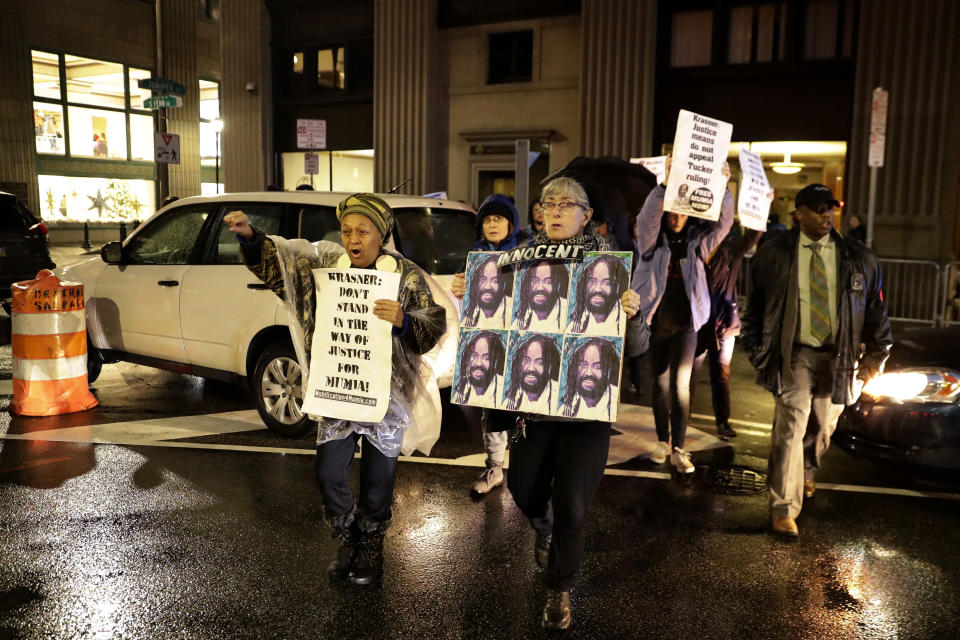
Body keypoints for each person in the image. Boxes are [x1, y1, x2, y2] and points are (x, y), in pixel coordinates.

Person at [225, 193, 446, 584]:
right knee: (329, 474)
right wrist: (249, 238)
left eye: (363, 231)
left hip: (386, 397)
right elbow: (282, 268)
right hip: (338, 388)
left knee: (379, 481)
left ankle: (371, 545)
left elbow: (432, 324)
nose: (353, 238)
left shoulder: (405, 275)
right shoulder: (328, 266)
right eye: (346, 230)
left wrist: (404, 320)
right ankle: (347, 535)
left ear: (382, 234)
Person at [498, 175, 641, 630]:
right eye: (549, 204)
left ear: (587, 216)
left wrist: (633, 316)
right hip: (533, 408)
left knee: (575, 506)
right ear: (539, 212)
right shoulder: (515, 262)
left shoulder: (610, 267)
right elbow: (490, 327)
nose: (557, 211)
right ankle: (543, 526)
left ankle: (559, 589)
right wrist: (472, 294)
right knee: (523, 491)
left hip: (586, 414)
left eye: (568, 204)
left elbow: (634, 348)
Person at [740, 183, 892, 538]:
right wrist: (758, 351)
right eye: (819, 209)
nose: (827, 215)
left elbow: (876, 312)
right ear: (799, 215)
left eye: (830, 208)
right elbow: (756, 307)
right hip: (795, 355)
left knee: (823, 427)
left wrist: (874, 358)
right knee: (789, 428)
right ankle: (783, 507)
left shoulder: (858, 257)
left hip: (839, 357)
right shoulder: (774, 254)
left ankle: (808, 468)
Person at [628, 156, 733, 474]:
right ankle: (662, 442)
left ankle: (678, 449)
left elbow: (724, 222)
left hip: (688, 324)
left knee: (681, 387)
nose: (677, 216)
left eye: (683, 210)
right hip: (657, 323)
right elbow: (647, 217)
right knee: (658, 384)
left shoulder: (699, 243)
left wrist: (723, 186)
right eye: (672, 209)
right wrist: (664, 185)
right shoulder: (650, 243)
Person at [450, 193, 522, 495]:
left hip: (520, 340)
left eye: (498, 218)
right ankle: (494, 468)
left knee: (522, 404)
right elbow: (467, 302)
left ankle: (524, 469)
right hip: (486, 339)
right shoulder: (474, 255)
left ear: (511, 223)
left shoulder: (526, 251)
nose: (492, 224)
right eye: (487, 220)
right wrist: (460, 289)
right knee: (489, 404)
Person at [694, 227, 763, 439]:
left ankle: (723, 422)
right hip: (698, 323)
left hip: (724, 324)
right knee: (689, 375)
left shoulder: (730, 250)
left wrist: (758, 208)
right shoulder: (695, 250)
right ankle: (680, 421)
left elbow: (751, 238)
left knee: (721, 375)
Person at [559, 337, 620, 421]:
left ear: (607, 370)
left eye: (597, 367)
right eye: (583, 364)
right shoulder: (567, 405)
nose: (588, 373)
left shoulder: (616, 399)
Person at [568, 254, 630, 335]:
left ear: (617, 286)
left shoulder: (626, 313)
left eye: (606, 283)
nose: (598, 289)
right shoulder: (576, 321)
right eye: (592, 281)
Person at [504, 333, 561, 413]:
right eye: (526, 360)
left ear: (548, 365)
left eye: (539, 362)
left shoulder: (559, 396)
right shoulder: (511, 395)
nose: (531, 368)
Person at [452, 330, 505, 408]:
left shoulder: (503, 389)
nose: (478, 363)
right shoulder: (460, 387)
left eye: (486, 358)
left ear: (495, 361)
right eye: (474, 355)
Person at [512, 260, 569, 331]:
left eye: (548, 282)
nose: (540, 287)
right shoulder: (521, 314)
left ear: (557, 285)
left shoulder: (568, 312)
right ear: (528, 284)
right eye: (535, 280)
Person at [461, 253, 512, 329]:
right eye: (483, 279)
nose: (487, 287)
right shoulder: (468, 307)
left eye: (495, 280)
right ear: (476, 282)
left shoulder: (514, 309)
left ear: (503, 284)